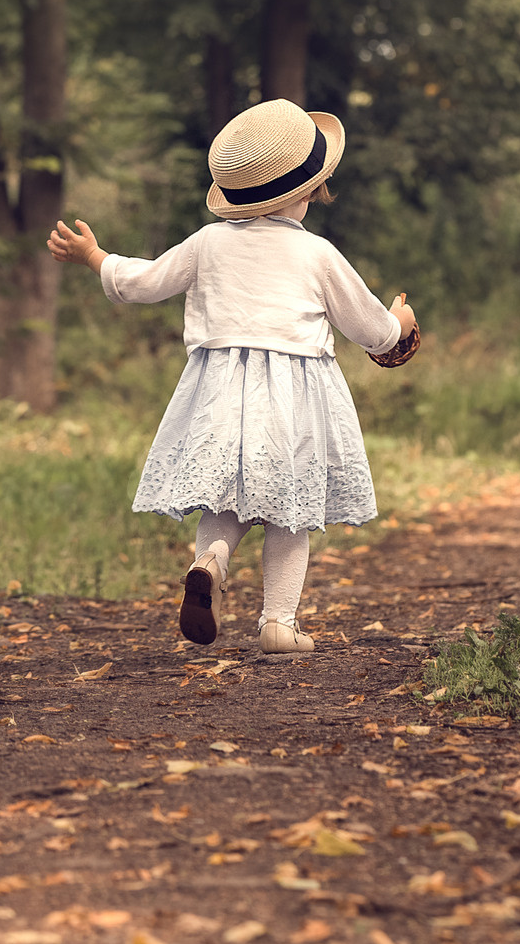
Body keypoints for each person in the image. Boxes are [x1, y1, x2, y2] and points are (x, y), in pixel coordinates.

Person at [48, 99, 416, 655]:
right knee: (290, 511)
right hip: (294, 397)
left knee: (224, 501)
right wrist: (399, 323)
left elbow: (145, 282)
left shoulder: (207, 242)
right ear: (312, 189)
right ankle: (278, 624)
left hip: (217, 391)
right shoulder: (318, 254)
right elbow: (372, 330)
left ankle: (211, 561)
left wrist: (97, 256)